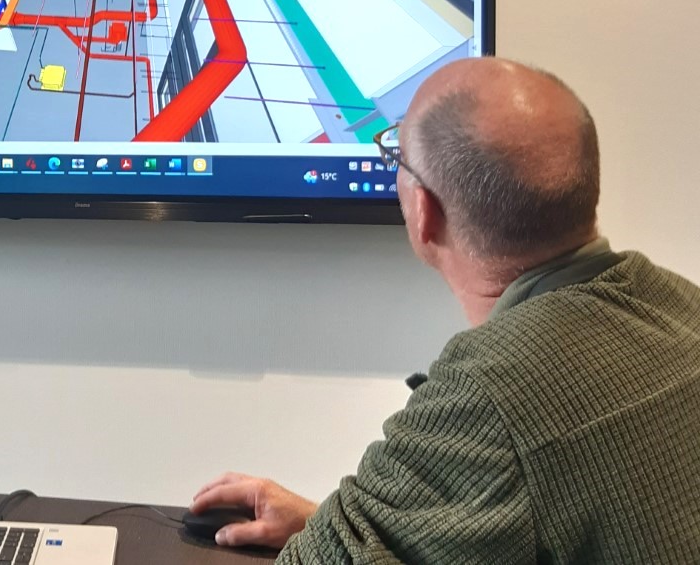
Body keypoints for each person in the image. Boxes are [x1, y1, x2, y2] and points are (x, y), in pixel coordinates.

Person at [190, 57, 700, 562]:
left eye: (396, 154)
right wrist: (328, 519)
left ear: (424, 211)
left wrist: (337, 538)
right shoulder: (680, 303)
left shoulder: (488, 394)